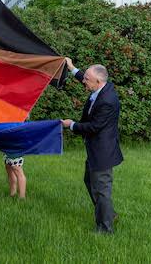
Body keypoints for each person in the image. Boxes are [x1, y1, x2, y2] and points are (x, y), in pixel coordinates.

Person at [61, 58, 123, 233]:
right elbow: (84, 76)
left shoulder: (107, 101)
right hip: (95, 149)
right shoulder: (100, 86)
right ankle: (108, 214)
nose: (83, 81)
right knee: (89, 181)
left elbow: (94, 127)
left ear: (98, 82)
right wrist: (71, 67)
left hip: (103, 151)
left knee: (101, 190)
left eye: (87, 79)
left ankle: (105, 228)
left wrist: (70, 124)